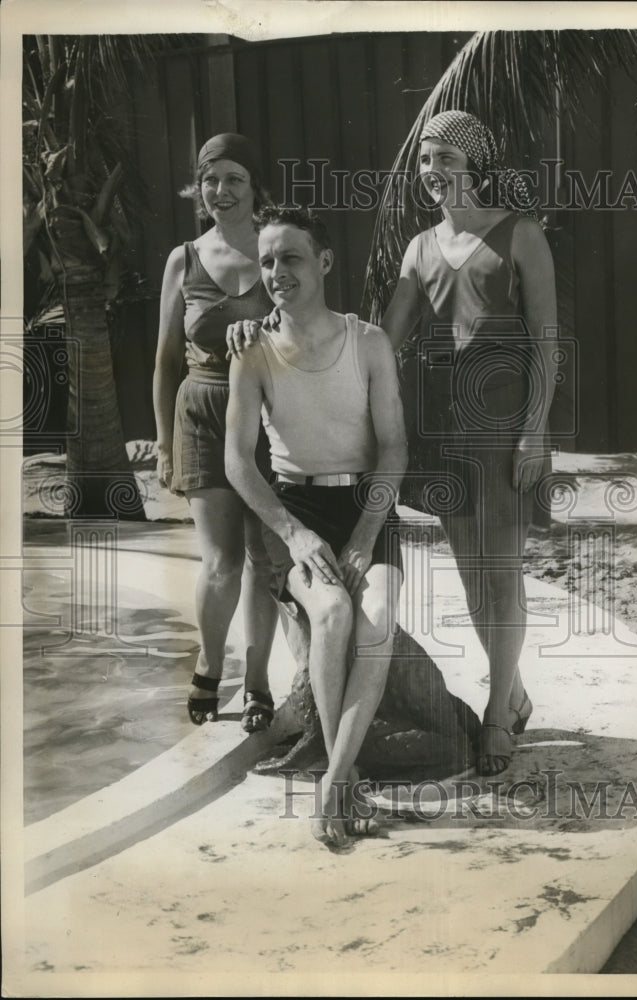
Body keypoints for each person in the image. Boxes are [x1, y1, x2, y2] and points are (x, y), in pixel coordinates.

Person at [379, 110, 558, 776]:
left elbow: (547, 344)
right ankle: (513, 690)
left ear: (474, 165)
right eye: (425, 161)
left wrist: (536, 431)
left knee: (502, 575)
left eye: (445, 161)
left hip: (507, 429)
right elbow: (384, 340)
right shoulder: (420, 249)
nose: (432, 173)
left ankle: (495, 715)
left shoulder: (521, 235)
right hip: (445, 433)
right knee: (473, 580)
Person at [224, 206, 407, 849]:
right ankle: (343, 772)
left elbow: (394, 450)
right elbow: (237, 462)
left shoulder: (369, 342)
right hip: (297, 511)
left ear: (324, 262)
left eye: (291, 257)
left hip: (366, 506)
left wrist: (363, 534)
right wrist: (297, 537)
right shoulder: (253, 352)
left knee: (377, 613)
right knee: (330, 611)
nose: (277, 272)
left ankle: (333, 778)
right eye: (267, 261)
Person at [153, 133, 280, 733]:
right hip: (202, 410)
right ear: (197, 188)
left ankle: (257, 681)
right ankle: (210, 661)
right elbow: (163, 360)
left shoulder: (277, 248)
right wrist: (160, 443)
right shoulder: (183, 258)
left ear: (255, 186)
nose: (221, 191)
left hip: (269, 415)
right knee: (222, 560)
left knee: (266, 560)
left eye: (234, 178)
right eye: (210, 180)